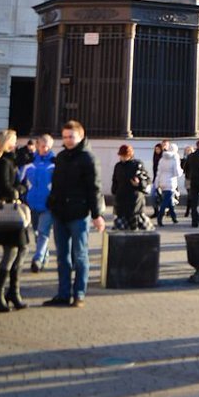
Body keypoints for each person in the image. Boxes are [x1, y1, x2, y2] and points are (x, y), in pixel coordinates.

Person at [43, 121, 106, 308]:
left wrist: (97, 215)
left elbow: (94, 188)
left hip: (78, 214)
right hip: (60, 213)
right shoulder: (61, 157)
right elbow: (55, 185)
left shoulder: (88, 158)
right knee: (62, 257)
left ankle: (79, 294)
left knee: (79, 255)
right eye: (65, 137)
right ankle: (63, 294)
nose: (68, 140)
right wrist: (51, 204)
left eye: (71, 136)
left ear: (80, 136)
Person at [0, 128, 30, 313]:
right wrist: (21, 188)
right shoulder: (2, 163)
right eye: (13, 140)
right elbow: (5, 188)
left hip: (12, 210)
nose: (16, 143)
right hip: (10, 212)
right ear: (6, 143)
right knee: (11, 253)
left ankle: (12, 292)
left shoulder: (6, 161)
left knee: (21, 250)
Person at [21, 134, 56, 273]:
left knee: (43, 232)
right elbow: (21, 180)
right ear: (37, 145)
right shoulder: (30, 162)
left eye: (48, 145)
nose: (45, 148)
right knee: (36, 232)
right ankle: (44, 256)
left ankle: (37, 258)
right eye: (43, 145)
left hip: (48, 204)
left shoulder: (55, 162)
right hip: (31, 203)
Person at [111, 144, 152, 231]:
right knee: (120, 229)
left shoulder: (137, 165)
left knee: (135, 228)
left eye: (124, 156)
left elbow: (147, 180)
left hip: (135, 201)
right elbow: (115, 181)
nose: (122, 157)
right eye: (121, 155)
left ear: (130, 155)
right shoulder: (118, 166)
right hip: (121, 200)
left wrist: (139, 184)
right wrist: (114, 192)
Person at [154, 141, 183, 226]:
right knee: (165, 202)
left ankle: (174, 217)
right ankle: (160, 217)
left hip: (162, 182)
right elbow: (177, 172)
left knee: (169, 201)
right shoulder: (175, 158)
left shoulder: (162, 159)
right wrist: (182, 171)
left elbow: (158, 172)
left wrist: (157, 183)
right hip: (170, 182)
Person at [181, 140, 199, 226]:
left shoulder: (190, 156)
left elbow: (185, 168)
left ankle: (194, 221)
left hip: (193, 180)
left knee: (194, 201)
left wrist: (189, 176)